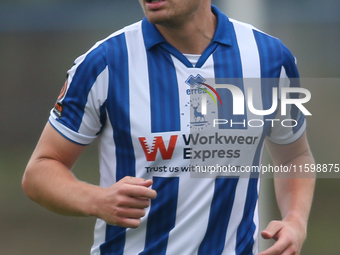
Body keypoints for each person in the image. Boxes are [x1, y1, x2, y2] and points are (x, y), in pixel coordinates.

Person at [22, 0, 315, 254]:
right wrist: (96, 199)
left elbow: (293, 157)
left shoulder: (269, 59)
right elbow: (40, 170)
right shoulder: (104, 63)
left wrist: (296, 221)